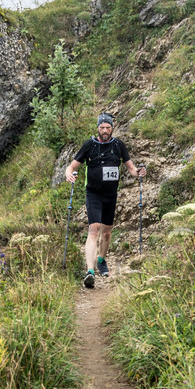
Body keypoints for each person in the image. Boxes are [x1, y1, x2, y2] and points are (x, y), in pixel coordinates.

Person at [66, 113, 145, 288]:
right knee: (94, 229)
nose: (104, 131)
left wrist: (138, 172)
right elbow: (72, 166)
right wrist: (69, 174)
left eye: (107, 128)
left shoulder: (118, 145)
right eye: (102, 128)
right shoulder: (89, 145)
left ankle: (101, 260)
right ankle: (90, 271)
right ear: (98, 129)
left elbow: (130, 168)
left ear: (112, 128)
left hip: (111, 194)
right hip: (93, 193)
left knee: (107, 233)